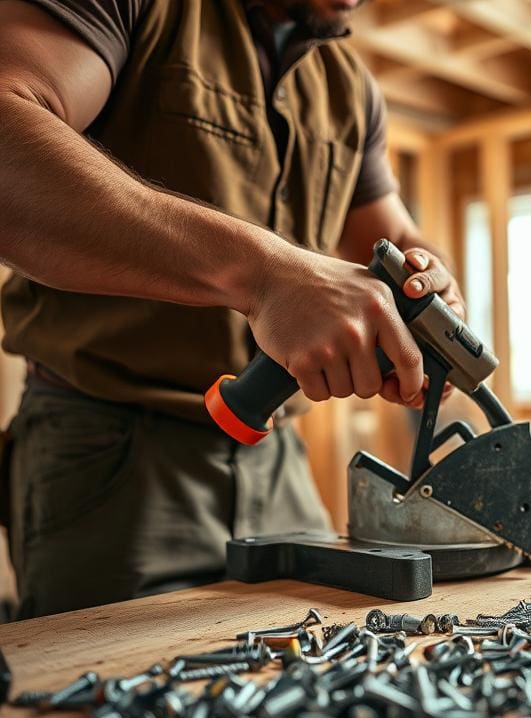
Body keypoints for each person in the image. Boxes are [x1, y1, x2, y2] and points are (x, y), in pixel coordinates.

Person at [0, 0, 465, 618]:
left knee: (316, 672)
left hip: (277, 459)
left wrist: (429, 285)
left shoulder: (349, 88)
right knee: (111, 697)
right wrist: (265, 275)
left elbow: (394, 236)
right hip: (111, 451)